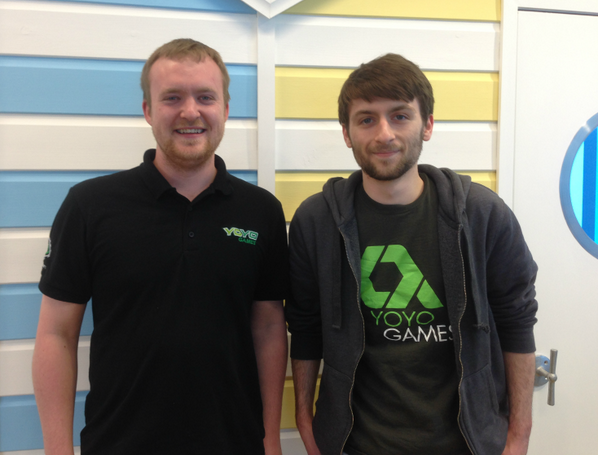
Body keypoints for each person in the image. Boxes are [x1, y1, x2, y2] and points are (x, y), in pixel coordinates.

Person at [32, 38, 289, 455]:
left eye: (205, 97)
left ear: (225, 109)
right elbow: (56, 334)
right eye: (172, 98)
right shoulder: (89, 206)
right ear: (148, 110)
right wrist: (57, 450)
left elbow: (269, 328)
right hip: (118, 444)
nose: (190, 111)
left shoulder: (261, 211)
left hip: (235, 444)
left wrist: (270, 439)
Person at [285, 53, 538, 455]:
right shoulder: (315, 222)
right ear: (347, 133)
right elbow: (305, 327)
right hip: (357, 445)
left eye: (400, 116)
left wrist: (519, 437)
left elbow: (517, 322)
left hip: (467, 444)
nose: (384, 134)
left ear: (428, 125)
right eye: (366, 119)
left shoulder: (483, 215)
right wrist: (304, 419)